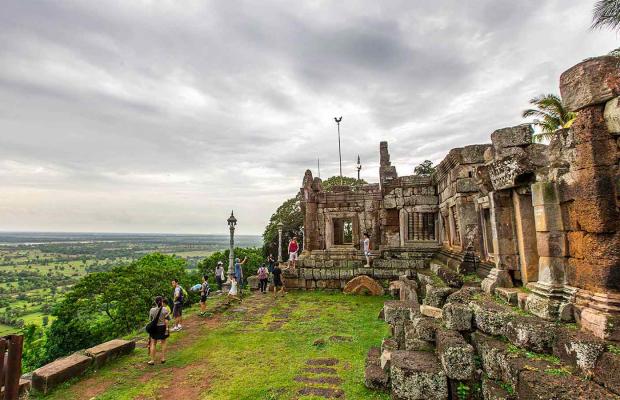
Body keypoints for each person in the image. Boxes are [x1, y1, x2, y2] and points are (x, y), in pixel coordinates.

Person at [148, 296, 170, 365]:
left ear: (155, 302)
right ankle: (163, 358)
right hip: (162, 327)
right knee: (163, 343)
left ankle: (152, 360)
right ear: (162, 301)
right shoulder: (165, 309)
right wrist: (166, 329)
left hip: (154, 328)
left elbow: (150, 320)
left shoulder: (152, 310)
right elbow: (166, 320)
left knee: (153, 343)